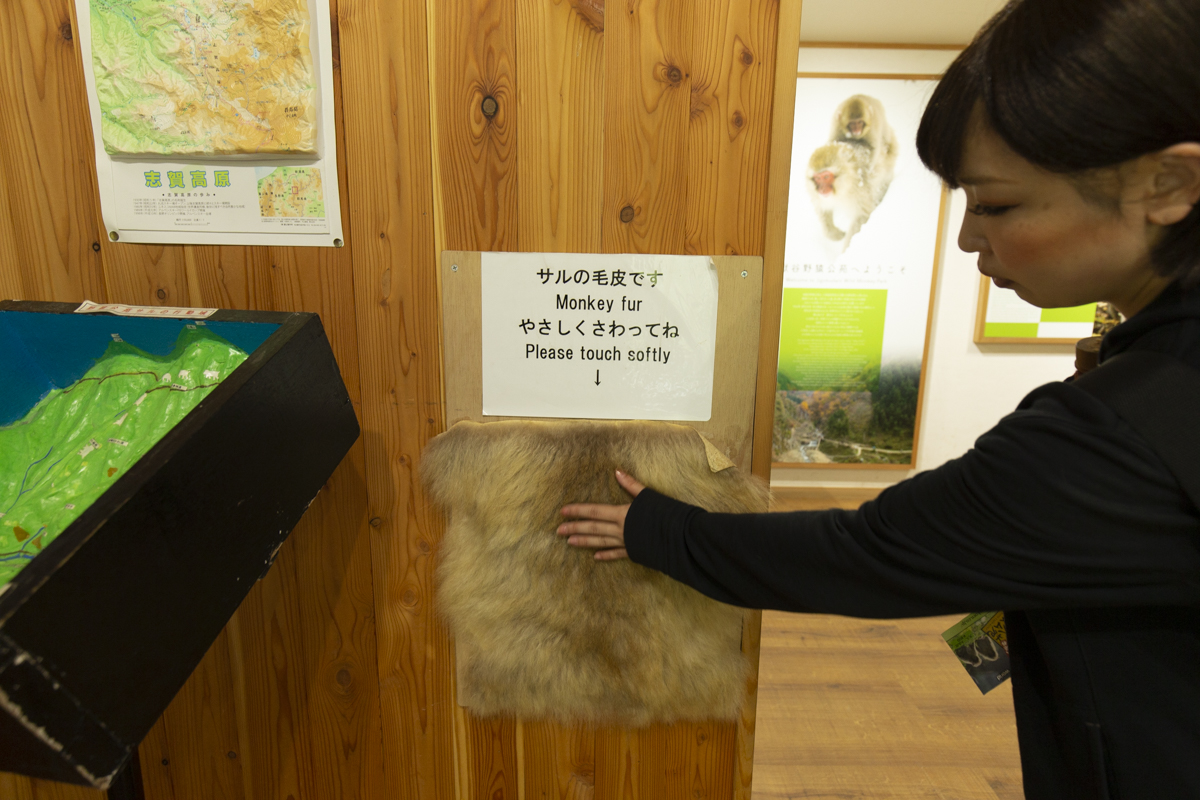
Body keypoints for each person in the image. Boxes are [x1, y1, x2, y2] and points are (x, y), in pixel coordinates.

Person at [555, 1, 1200, 797]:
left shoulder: (1126, 427)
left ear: (1168, 184)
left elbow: (866, 554)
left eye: (997, 203)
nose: (969, 238)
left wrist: (659, 529)